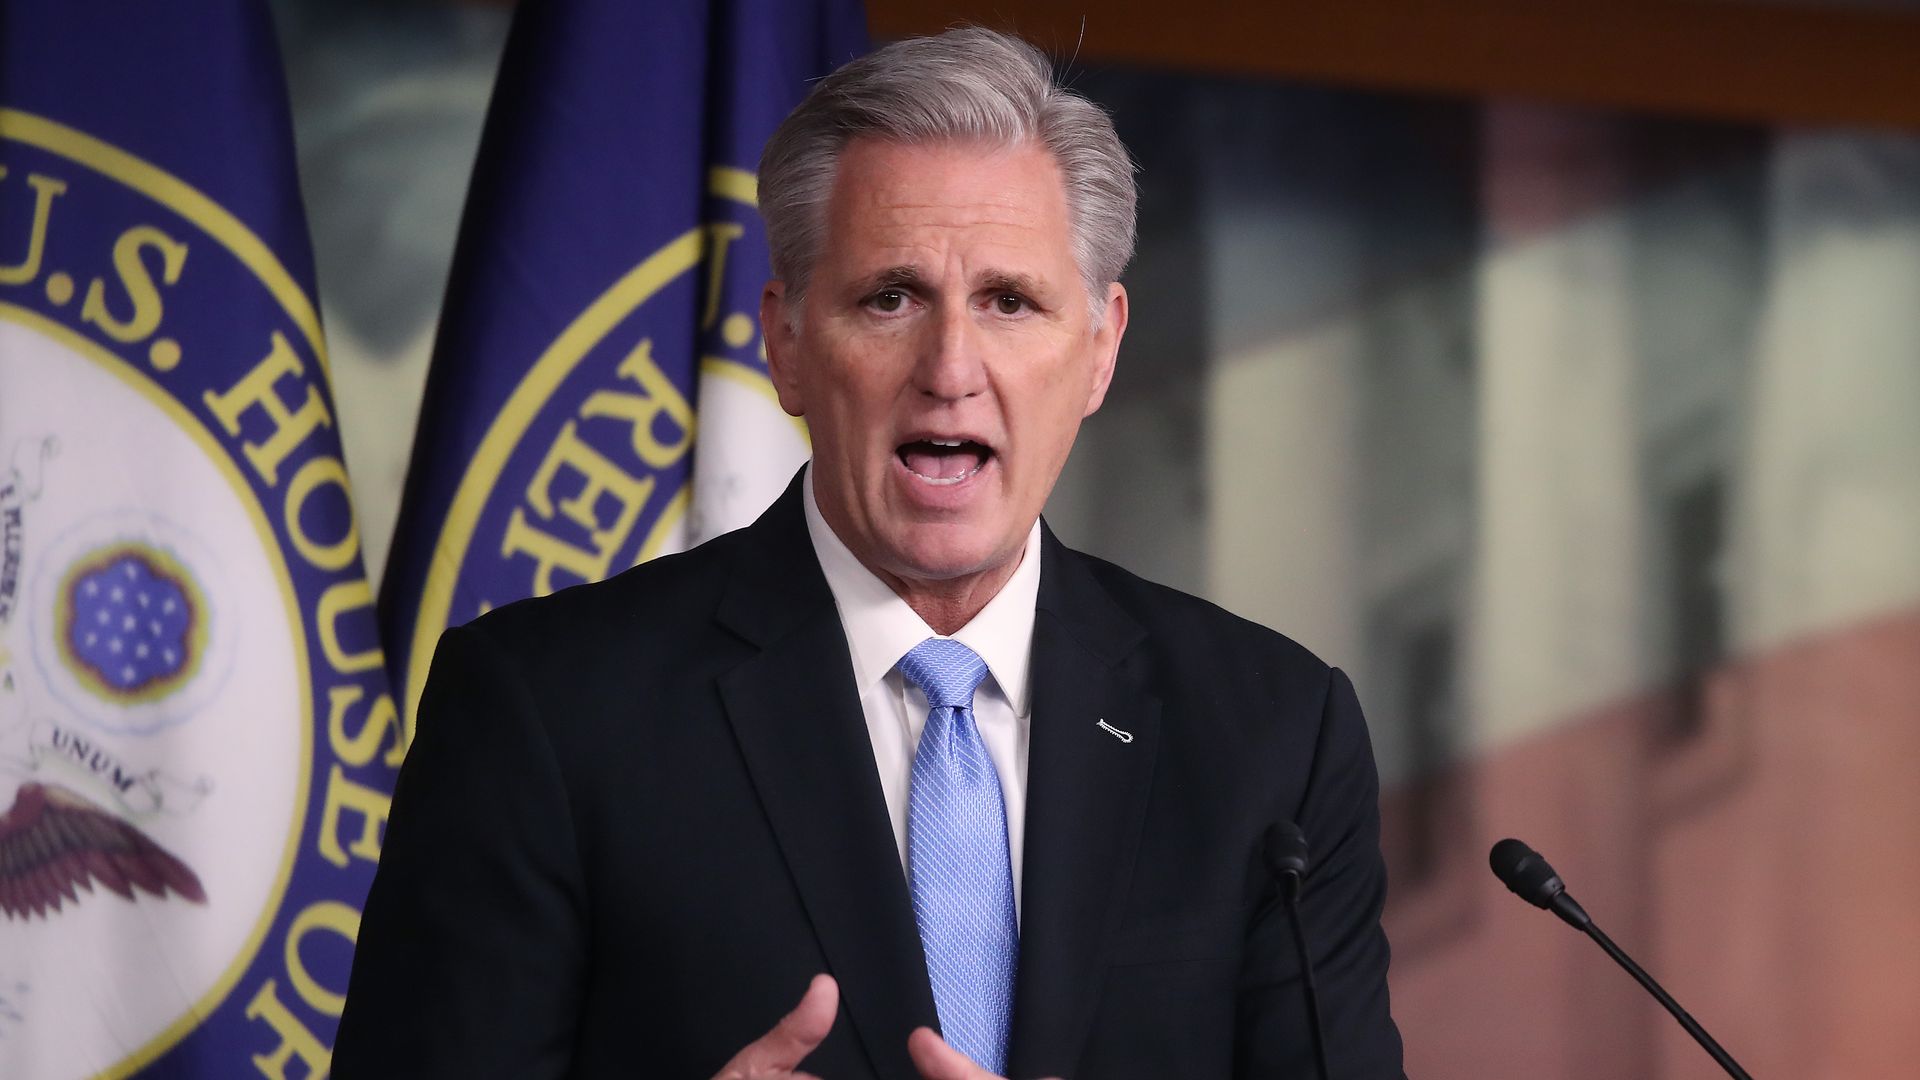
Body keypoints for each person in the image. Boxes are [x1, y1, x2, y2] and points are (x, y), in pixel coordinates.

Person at [333, 27, 1404, 1080]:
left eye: (1010, 302)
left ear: (1100, 350)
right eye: (889, 298)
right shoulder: (546, 717)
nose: (950, 368)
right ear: (789, 346)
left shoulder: (1273, 737)